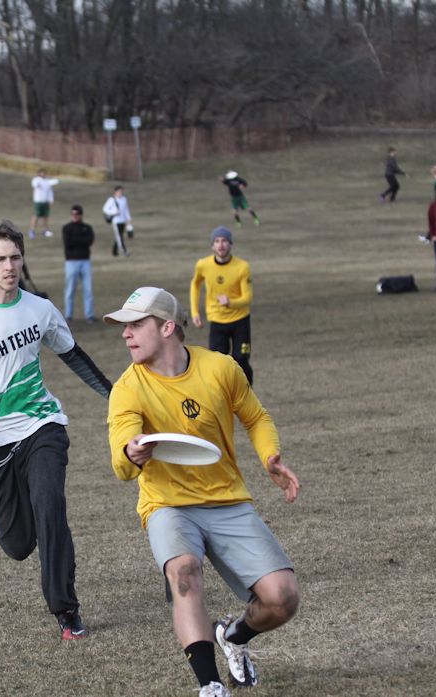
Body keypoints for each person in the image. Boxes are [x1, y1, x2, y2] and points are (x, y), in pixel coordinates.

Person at [104, 286, 300, 697]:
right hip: (167, 504)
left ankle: (234, 636)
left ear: (167, 327)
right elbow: (121, 466)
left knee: (283, 599)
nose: (126, 334)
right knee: (185, 573)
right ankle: (210, 685)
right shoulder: (127, 388)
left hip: (227, 499)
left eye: (136, 324)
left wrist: (270, 457)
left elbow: (256, 417)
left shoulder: (220, 368)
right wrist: (132, 452)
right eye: (124, 326)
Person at [0, 221, 112, 640]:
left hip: (41, 426)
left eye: (15, 257)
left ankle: (66, 609)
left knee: (50, 506)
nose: (9, 266)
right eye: (0, 259)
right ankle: (28, 524)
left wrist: (115, 394)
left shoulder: (40, 309)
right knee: (17, 545)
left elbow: (74, 355)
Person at [189, 226, 254, 385]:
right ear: (212, 245)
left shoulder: (242, 266)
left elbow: (247, 298)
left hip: (240, 320)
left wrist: (230, 302)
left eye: (224, 241)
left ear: (231, 244)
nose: (221, 245)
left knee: (241, 360)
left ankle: (248, 393)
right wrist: (195, 312)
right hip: (217, 320)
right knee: (217, 363)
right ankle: (223, 395)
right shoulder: (203, 265)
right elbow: (195, 284)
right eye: (217, 241)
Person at [61, 204, 95, 322]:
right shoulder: (67, 228)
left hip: (85, 261)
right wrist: (81, 241)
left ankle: (89, 315)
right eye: (73, 214)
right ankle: (68, 315)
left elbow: (89, 241)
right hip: (71, 262)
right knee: (70, 289)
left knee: (88, 289)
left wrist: (76, 240)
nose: (75, 216)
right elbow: (68, 243)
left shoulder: (87, 227)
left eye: (77, 214)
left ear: (81, 215)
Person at [102, 185, 134, 256]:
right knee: (119, 236)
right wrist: (114, 212)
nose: (120, 193)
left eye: (121, 191)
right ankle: (124, 251)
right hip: (116, 221)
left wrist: (128, 219)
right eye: (119, 192)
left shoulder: (124, 199)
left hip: (123, 220)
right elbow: (105, 209)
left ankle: (114, 251)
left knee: (120, 236)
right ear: (115, 192)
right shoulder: (111, 200)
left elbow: (126, 210)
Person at [29, 168, 59, 239]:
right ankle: (32, 230)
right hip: (38, 201)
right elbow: (34, 184)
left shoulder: (47, 182)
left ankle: (45, 231)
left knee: (45, 217)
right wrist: (38, 183)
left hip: (46, 202)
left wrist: (51, 200)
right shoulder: (36, 180)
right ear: (39, 173)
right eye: (42, 173)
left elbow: (50, 191)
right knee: (36, 215)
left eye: (44, 173)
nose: (43, 174)